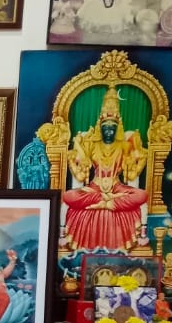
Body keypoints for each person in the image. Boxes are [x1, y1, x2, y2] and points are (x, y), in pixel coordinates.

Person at [63, 84, 149, 253]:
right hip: (96, 187)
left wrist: (137, 156)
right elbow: (80, 171)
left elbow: (133, 171)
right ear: (99, 128)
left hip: (117, 186)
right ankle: (107, 201)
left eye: (112, 129)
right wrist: (78, 145)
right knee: (68, 196)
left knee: (142, 195)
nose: (109, 132)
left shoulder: (124, 145)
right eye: (105, 128)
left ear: (118, 129)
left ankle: (106, 203)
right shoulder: (92, 144)